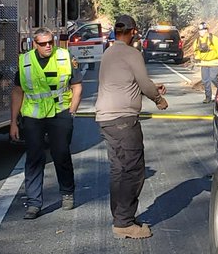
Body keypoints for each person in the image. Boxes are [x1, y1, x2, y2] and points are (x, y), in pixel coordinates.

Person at [95, 13, 168, 239]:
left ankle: (120, 217)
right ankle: (125, 223)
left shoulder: (109, 52)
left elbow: (124, 82)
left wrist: (151, 87)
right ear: (134, 31)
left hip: (106, 118)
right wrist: (158, 99)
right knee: (134, 170)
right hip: (123, 120)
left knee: (118, 169)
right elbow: (144, 83)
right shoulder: (132, 53)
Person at [11, 26, 83, 220]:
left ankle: (67, 192)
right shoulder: (25, 61)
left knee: (61, 154)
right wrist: (13, 122)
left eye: (50, 42)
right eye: (43, 44)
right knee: (34, 158)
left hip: (60, 113)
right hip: (33, 116)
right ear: (35, 44)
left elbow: (76, 86)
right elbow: (18, 91)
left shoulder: (64, 57)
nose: (48, 46)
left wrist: (73, 109)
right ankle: (34, 203)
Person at [191, 21, 218, 103]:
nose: (200, 32)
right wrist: (197, 57)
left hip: (214, 62)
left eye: (202, 30)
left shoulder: (213, 38)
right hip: (204, 63)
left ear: (206, 30)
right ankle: (208, 97)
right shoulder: (197, 41)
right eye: (199, 30)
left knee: (213, 78)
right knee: (205, 80)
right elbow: (196, 50)